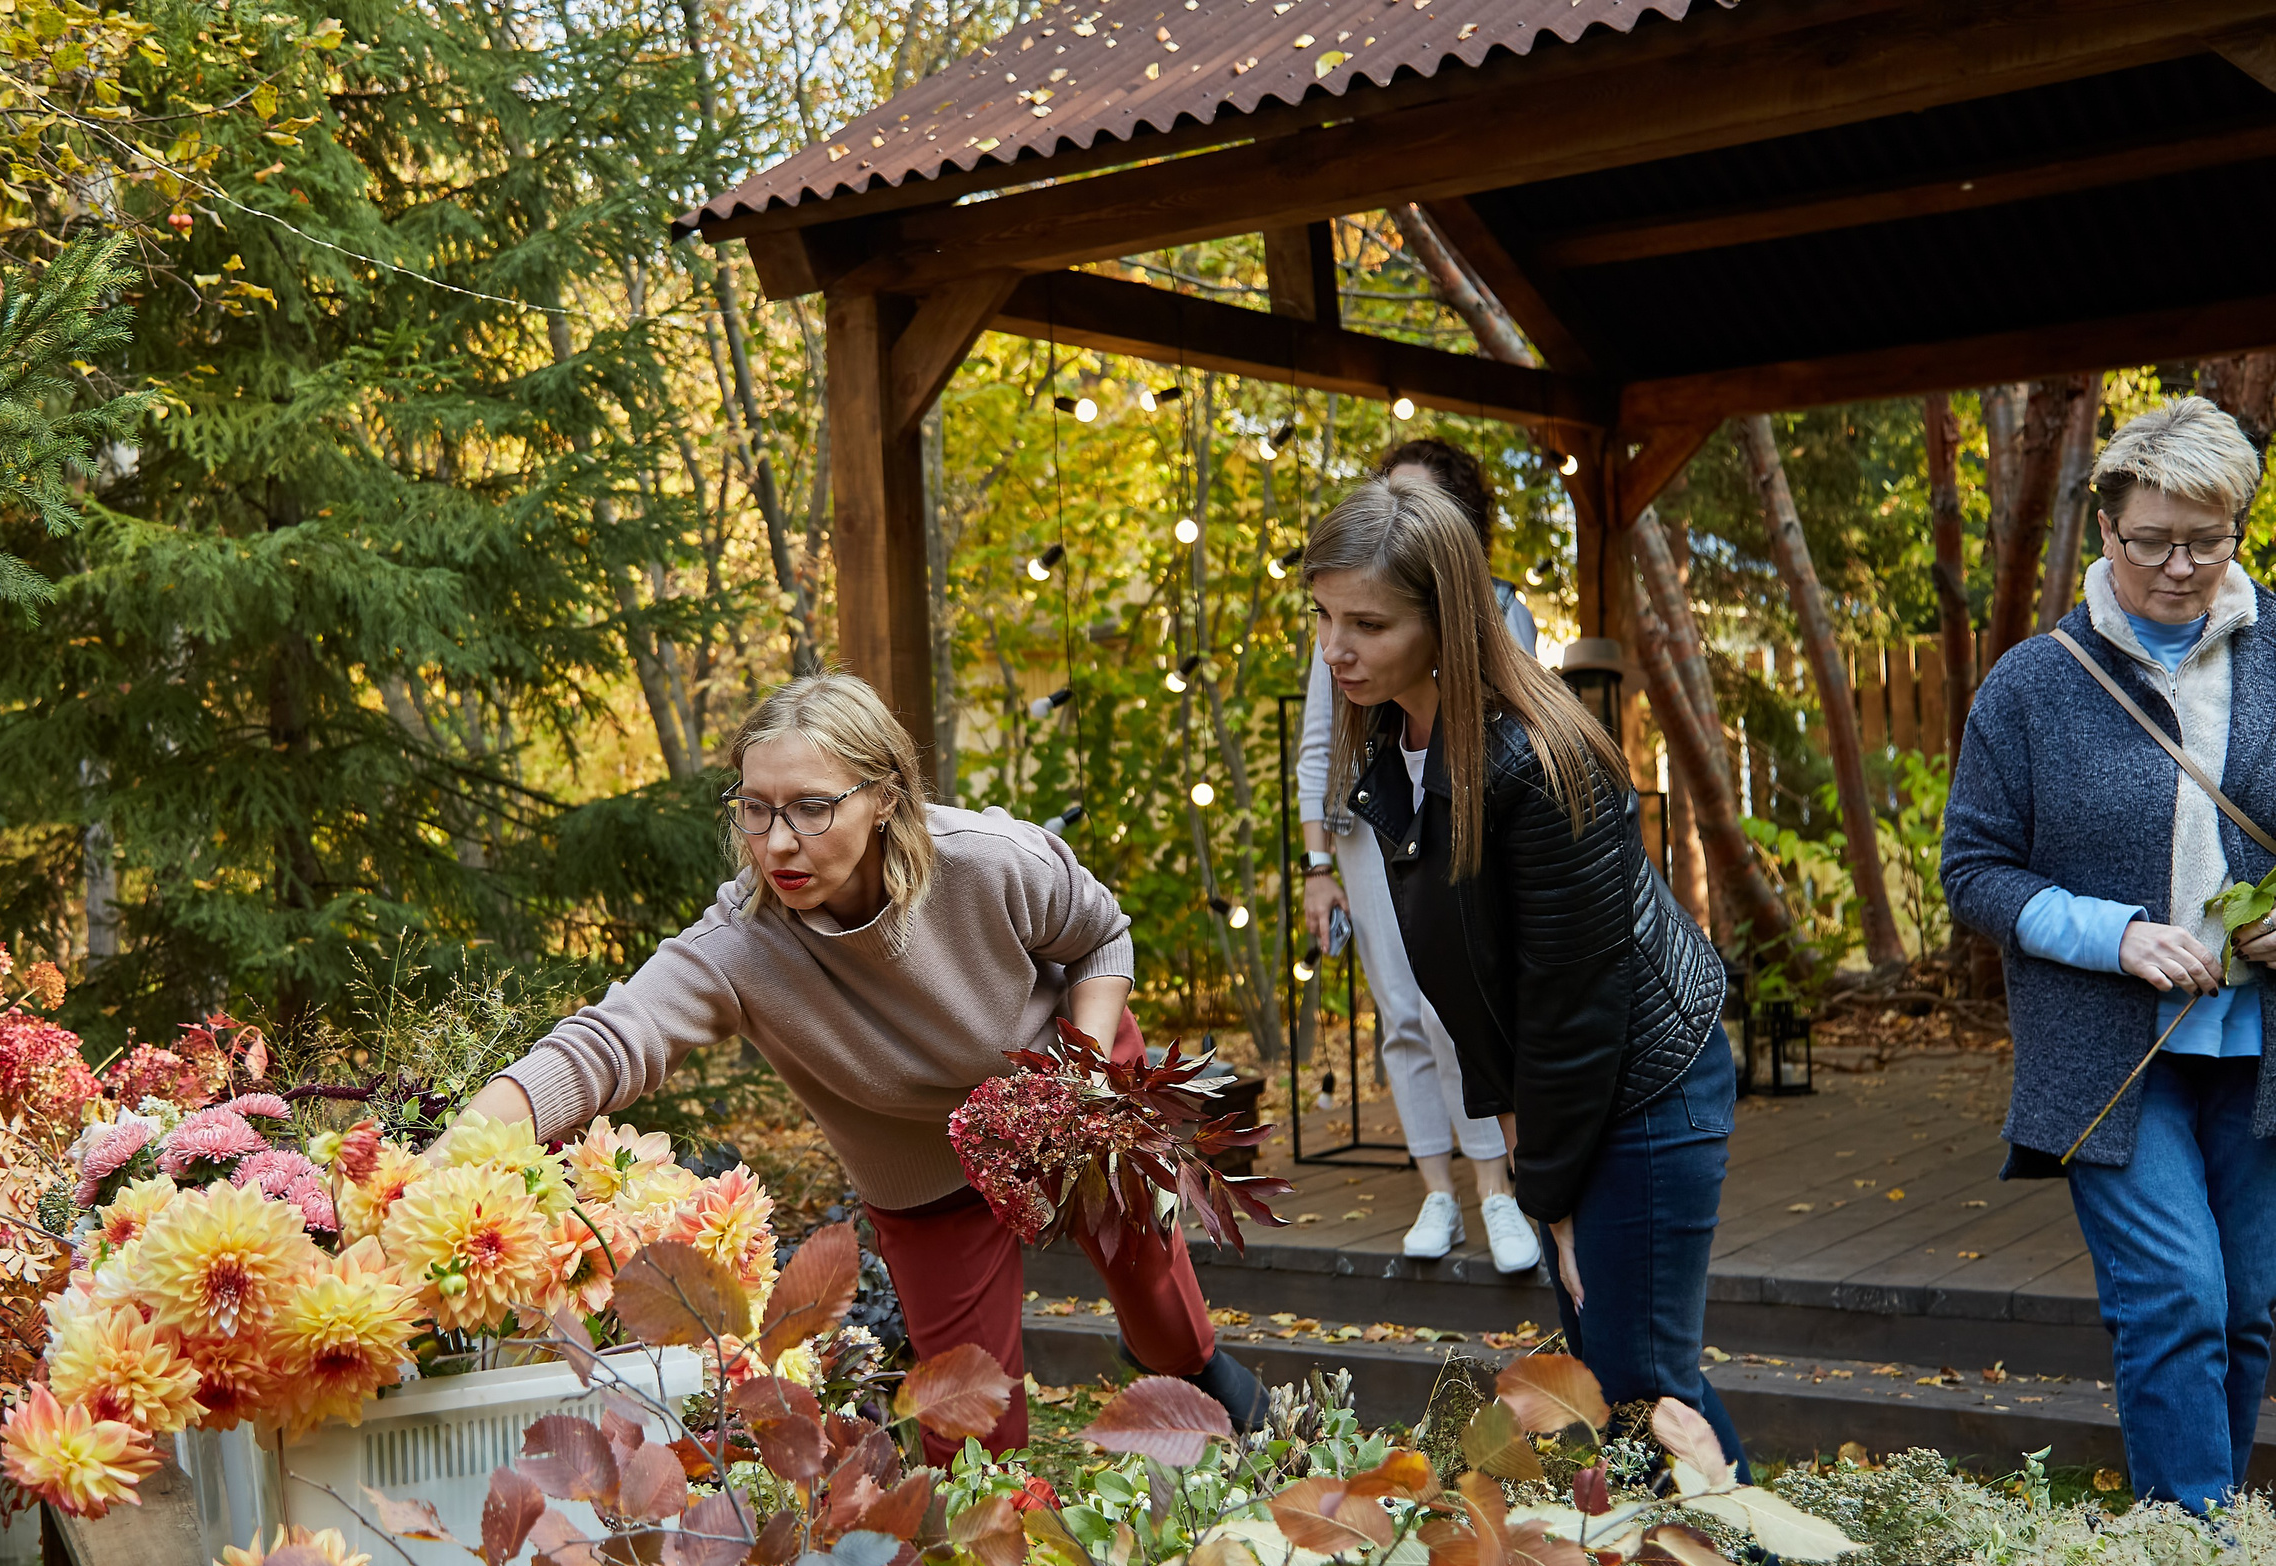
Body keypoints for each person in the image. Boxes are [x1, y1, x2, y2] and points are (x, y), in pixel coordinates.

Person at [459, 672, 1267, 1462]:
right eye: (755, 808)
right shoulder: (740, 944)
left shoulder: (986, 860)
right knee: (971, 1429)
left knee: (1154, 1288)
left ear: (884, 796)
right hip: (922, 1165)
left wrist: (1081, 1084)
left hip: (1072, 1078)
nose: (779, 842)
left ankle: (1191, 1364)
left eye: (812, 807)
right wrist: (454, 1151)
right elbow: (606, 1041)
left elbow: (1101, 935)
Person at [1301, 465, 1747, 1468]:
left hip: (1642, 1089)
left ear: (1447, 619)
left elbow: (1572, 1010)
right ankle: (1714, 1564)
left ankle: (1750, 1564)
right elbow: (1469, 985)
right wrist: (1528, 1163)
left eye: (1367, 624)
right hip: (1566, 1092)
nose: (1335, 650)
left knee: (1640, 1390)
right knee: (1619, 1379)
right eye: (1323, 616)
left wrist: (1548, 1200)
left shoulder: (1537, 762)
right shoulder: (1399, 737)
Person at [1942, 395, 2276, 1515]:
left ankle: (2204, 1539)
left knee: (2245, 1309)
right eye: (2152, 541)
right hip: (2108, 1059)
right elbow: (1973, 870)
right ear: (2104, 530)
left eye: (2207, 540)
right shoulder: (2032, 684)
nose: (2180, 567)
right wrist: (2116, 935)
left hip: (2260, 1053)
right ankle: (2192, 1559)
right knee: (2177, 1297)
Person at [1296, 438, 1542, 1269]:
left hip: (1455, 814)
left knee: (1453, 1008)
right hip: (1364, 825)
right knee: (1400, 1010)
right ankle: (1438, 1187)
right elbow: (1319, 746)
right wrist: (1317, 867)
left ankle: (1496, 1189)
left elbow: (1512, 729)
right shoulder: (1342, 625)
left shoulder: (1499, 611)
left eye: (1411, 502)